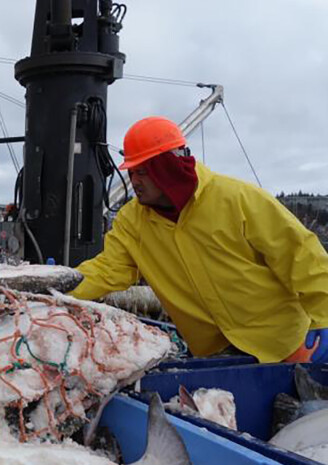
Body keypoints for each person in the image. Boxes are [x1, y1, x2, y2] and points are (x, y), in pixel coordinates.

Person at [70, 116, 328, 364]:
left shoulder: (237, 199)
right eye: (132, 172)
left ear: (167, 168)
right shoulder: (132, 222)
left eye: (143, 172)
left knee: (307, 409)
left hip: (288, 345)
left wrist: (325, 316)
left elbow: (302, 257)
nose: (134, 181)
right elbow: (108, 269)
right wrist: (58, 287)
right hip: (216, 355)